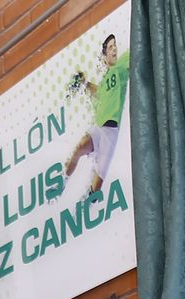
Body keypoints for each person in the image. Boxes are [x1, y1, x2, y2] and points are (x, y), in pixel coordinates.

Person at [64, 33, 132, 196]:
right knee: (79, 148)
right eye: (110, 47)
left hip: (111, 132)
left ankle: (88, 201)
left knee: (96, 186)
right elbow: (99, 93)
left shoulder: (122, 65)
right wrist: (84, 83)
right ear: (104, 56)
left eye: (115, 45)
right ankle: (62, 182)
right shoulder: (105, 79)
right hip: (98, 127)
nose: (114, 49)